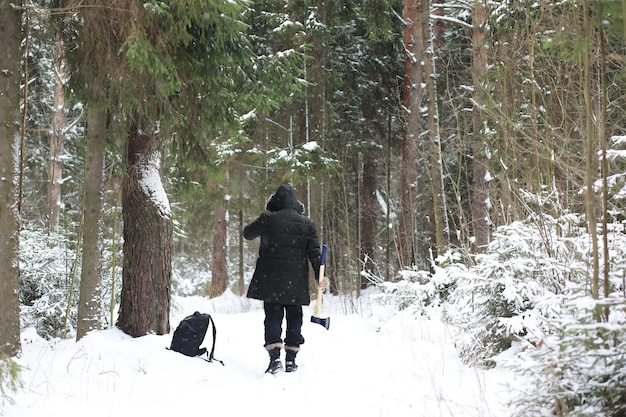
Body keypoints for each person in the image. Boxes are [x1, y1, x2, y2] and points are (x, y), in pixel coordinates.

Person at [243, 183, 322, 374]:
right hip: (295, 282)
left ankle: (274, 358)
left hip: (271, 281)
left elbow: (247, 234)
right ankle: (291, 360)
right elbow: (314, 252)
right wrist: (320, 275)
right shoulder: (307, 224)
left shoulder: (268, 220)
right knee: (295, 318)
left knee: (272, 317)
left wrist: (265, 218)